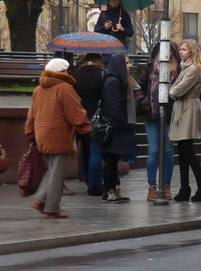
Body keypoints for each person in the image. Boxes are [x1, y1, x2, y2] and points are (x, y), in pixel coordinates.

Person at [25, 58, 91, 218]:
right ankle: (49, 206)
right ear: (62, 72)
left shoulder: (38, 90)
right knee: (57, 173)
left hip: (41, 135)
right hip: (59, 135)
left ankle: (44, 201)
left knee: (51, 170)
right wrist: (86, 129)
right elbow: (75, 112)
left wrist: (30, 133)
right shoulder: (65, 88)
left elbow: (31, 115)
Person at [138, 42, 180, 202]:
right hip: (152, 114)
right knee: (153, 150)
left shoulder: (178, 70)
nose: (165, 54)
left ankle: (167, 185)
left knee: (168, 151)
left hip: (170, 115)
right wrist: (144, 101)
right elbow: (139, 88)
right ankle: (152, 186)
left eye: (169, 51)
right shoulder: (150, 67)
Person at [169, 39, 201, 202]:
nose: (181, 51)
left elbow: (177, 90)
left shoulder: (194, 69)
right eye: (180, 49)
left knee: (187, 151)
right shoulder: (185, 68)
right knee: (183, 151)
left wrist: (172, 91)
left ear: (192, 51)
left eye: (184, 49)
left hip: (188, 109)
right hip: (183, 109)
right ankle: (185, 187)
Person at [100, 52, 138, 202]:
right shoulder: (113, 82)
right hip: (114, 128)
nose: (130, 66)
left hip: (116, 127)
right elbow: (113, 106)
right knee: (110, 160)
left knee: (113, 160)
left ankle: (113, 190)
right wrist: (121, 121)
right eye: (127, 63)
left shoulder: (117, 80)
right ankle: (108, 191)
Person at [73, 52, 106, 196]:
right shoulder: (103, 75)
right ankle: (95, 183)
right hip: (97, 118)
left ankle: (84, 176)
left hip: (79, 117)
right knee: (95, 151)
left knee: (85, 151)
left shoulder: (76, 76)